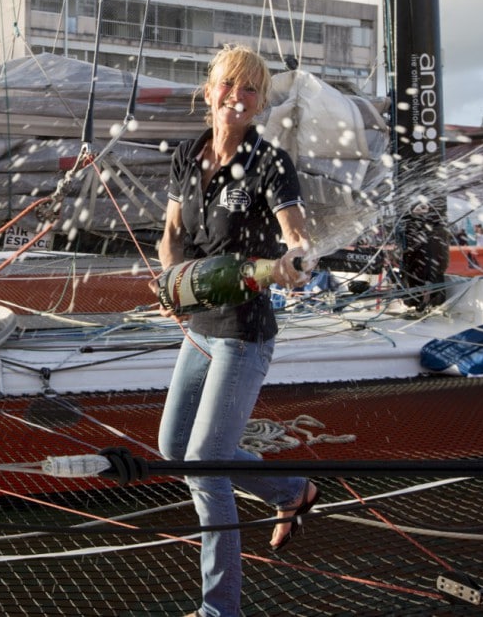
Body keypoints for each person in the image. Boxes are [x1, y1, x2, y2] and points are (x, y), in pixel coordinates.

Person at [154, 44, 318, 617]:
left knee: (206, 462)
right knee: (174, 449)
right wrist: (171, 283)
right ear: (209, 92)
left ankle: (220, 609)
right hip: (198, 326)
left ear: (260, 101)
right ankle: (289, 491)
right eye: (229, 85)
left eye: (250, 89)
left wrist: (298, 260)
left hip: (245, 332)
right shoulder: (187, 155)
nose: (237, 96)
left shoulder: (271, 163)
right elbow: (172, 234)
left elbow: (295, 235)